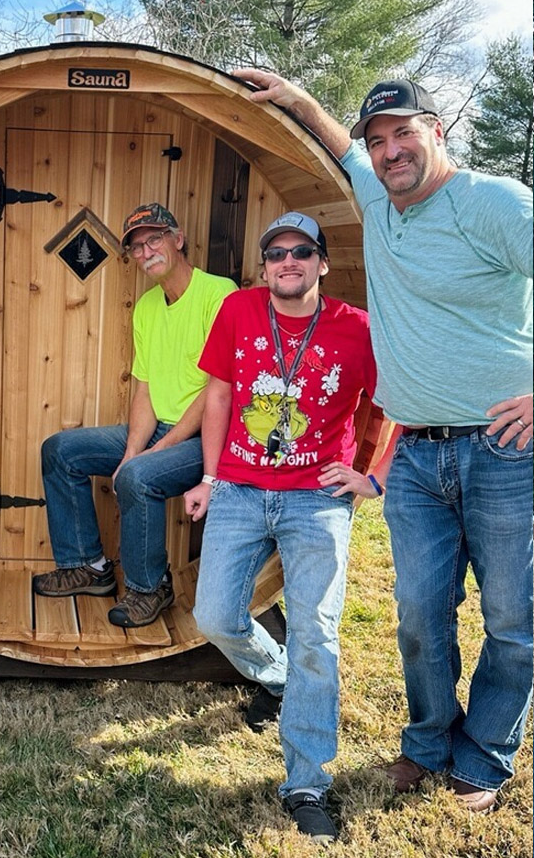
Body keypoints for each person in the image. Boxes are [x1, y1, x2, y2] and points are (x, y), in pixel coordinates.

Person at [234, 70, 533, 813]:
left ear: (438, 130)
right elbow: (343, 150)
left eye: (405, 132)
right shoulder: (380, 198)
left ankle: (486, 755)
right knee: (418, 616)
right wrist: (298, 98)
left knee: (514, 620)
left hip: (504, 450)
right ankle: (429, 741)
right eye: (378, 140)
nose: (391, 150)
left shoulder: (493, 203)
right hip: (415, 457)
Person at [184, 211, 377, 843]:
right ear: (264, 266)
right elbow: (217, 396)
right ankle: (280, 677)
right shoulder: (239, 310)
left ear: (322, 262)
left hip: (315, 500)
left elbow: (392, 405)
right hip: (239, 487)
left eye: (301, 252)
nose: (286, 262)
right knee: (214, 615)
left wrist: (368, 475)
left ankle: (307, 781)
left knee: (316, 633)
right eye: (275, 254)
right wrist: (211, 478)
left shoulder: (357, 329)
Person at [33, 203, 236, 627]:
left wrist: (156, 449)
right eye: (137, 247)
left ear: (178, 239)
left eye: (154, 240)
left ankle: (150, 588)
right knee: (60, 450)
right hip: (159, 427)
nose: (146, 252)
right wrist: (132, 448)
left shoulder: (219, 294)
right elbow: (144, 388)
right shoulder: (146, 307)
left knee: (137, 477)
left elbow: (219, 389)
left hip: (207, 438)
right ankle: (89, 566)